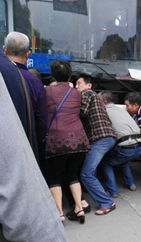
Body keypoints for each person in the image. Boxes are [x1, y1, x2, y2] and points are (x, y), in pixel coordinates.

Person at [0, 74, 66, 242]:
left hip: (57, 142)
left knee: (56, 178)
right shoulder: (34, 82)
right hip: (70, 141)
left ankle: (62, 211)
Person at [45, 60, 89, 223]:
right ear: (70, 76)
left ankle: (59, 213)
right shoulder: (77, 93)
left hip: (58, 140)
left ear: (53, 75)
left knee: (55, 178)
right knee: (72, 175)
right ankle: (79, 208)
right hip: (79, 140)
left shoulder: (47, 91)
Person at [76, 73, 117, 215]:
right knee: (91, 169)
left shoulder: (87, 93)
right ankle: (101, 192)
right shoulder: (97, 98)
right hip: (108, 137)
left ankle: (107, 203)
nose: (76, 87)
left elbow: (81, 112)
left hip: (100, 139)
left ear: (88, 85)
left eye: (78, 83)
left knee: (86, 174)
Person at [4, 31, 48, 162]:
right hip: (24, 147)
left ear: (4, 50)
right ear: (28, 53)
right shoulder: (35, 82)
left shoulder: (3, 76)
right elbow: (42, 121)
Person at [99, 91, 141, 197]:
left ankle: (113, 191)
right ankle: (131, 184)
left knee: (106, 162)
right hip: (139, 147)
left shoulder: (103, 111)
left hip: (126, 148)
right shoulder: (122, 110)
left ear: (104, 102)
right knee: (122, 160)